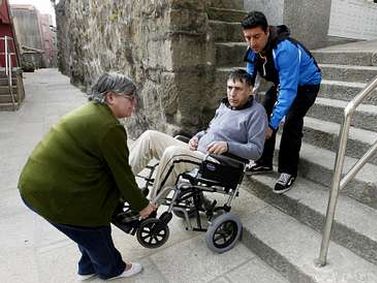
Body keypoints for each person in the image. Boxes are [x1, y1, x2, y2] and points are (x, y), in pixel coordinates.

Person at [18, 72, 156, 281]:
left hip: (35, 184)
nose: (134, 102)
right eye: (130, 97)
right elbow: (122, 175)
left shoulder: (93, 113)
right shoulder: (109, 127)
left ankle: (87, 267)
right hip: (48, 192)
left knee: (82, 228)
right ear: (110, 97)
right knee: (92, 226)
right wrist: (142, 206)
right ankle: (112, 269)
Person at [129, 69, 268, 200]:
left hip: (216, 162)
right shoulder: (225, 105)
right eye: (229, 87)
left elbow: (256, 151)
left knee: (173, 154)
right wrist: (197, 137)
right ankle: (120, 189)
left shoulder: (257, 113)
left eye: (238, 89)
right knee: (150, 136)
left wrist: (228, 146)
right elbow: (210, 130)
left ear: (250, 90)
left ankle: (149, 207)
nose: (232, 93)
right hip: (196, 151)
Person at [241, 11, 322, 194]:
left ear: (267, 32)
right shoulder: (253, 48)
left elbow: (288, 91)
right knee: (263, 112)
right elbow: (248, 78)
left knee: (292, 120)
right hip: (284, 83)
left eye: (256, 37)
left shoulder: (284, 49)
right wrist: (242, 101)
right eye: (248, 37)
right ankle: (264, 162)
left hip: (306, 84)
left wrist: (273, 124)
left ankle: (288, 171)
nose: (252, 42)